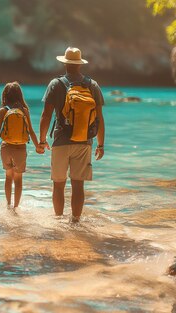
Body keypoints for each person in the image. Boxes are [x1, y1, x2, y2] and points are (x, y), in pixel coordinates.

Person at [36, 47, 106, 223]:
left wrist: (42, 140)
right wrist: (100, 144)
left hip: (60, 140)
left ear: (65, 63)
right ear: (80, 64)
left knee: (58, 185)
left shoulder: (55, 84)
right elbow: (99, 118)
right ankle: (75, 222)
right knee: (78, 185)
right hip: (84, 141)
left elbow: (46, 115)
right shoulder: (92, 85)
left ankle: (59, 222)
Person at [0, 82, 39, 209]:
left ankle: (8, 204)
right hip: (20, 148)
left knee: (8, 177)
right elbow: (31, 131)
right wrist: (38, 146)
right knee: (18, 179)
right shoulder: (24, 111)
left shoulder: (2, 111)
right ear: (20, 95)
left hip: (6, 148)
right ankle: (16, 207)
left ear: (5, 96)